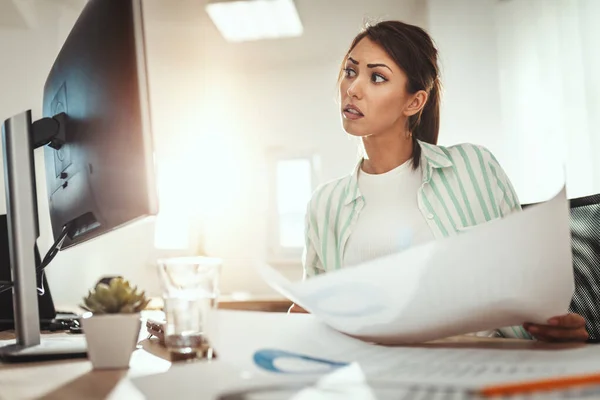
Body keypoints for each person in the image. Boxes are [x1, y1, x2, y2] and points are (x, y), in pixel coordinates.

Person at [296, 20, 588, 343]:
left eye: (377, 77)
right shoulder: (324, 204)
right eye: (350, 72)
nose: (353, 88)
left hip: (479, 369)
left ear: (414, 102)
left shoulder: (474, 168)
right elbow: (312, 309)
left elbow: (531, 288)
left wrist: (558, 326)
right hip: (375, 379)